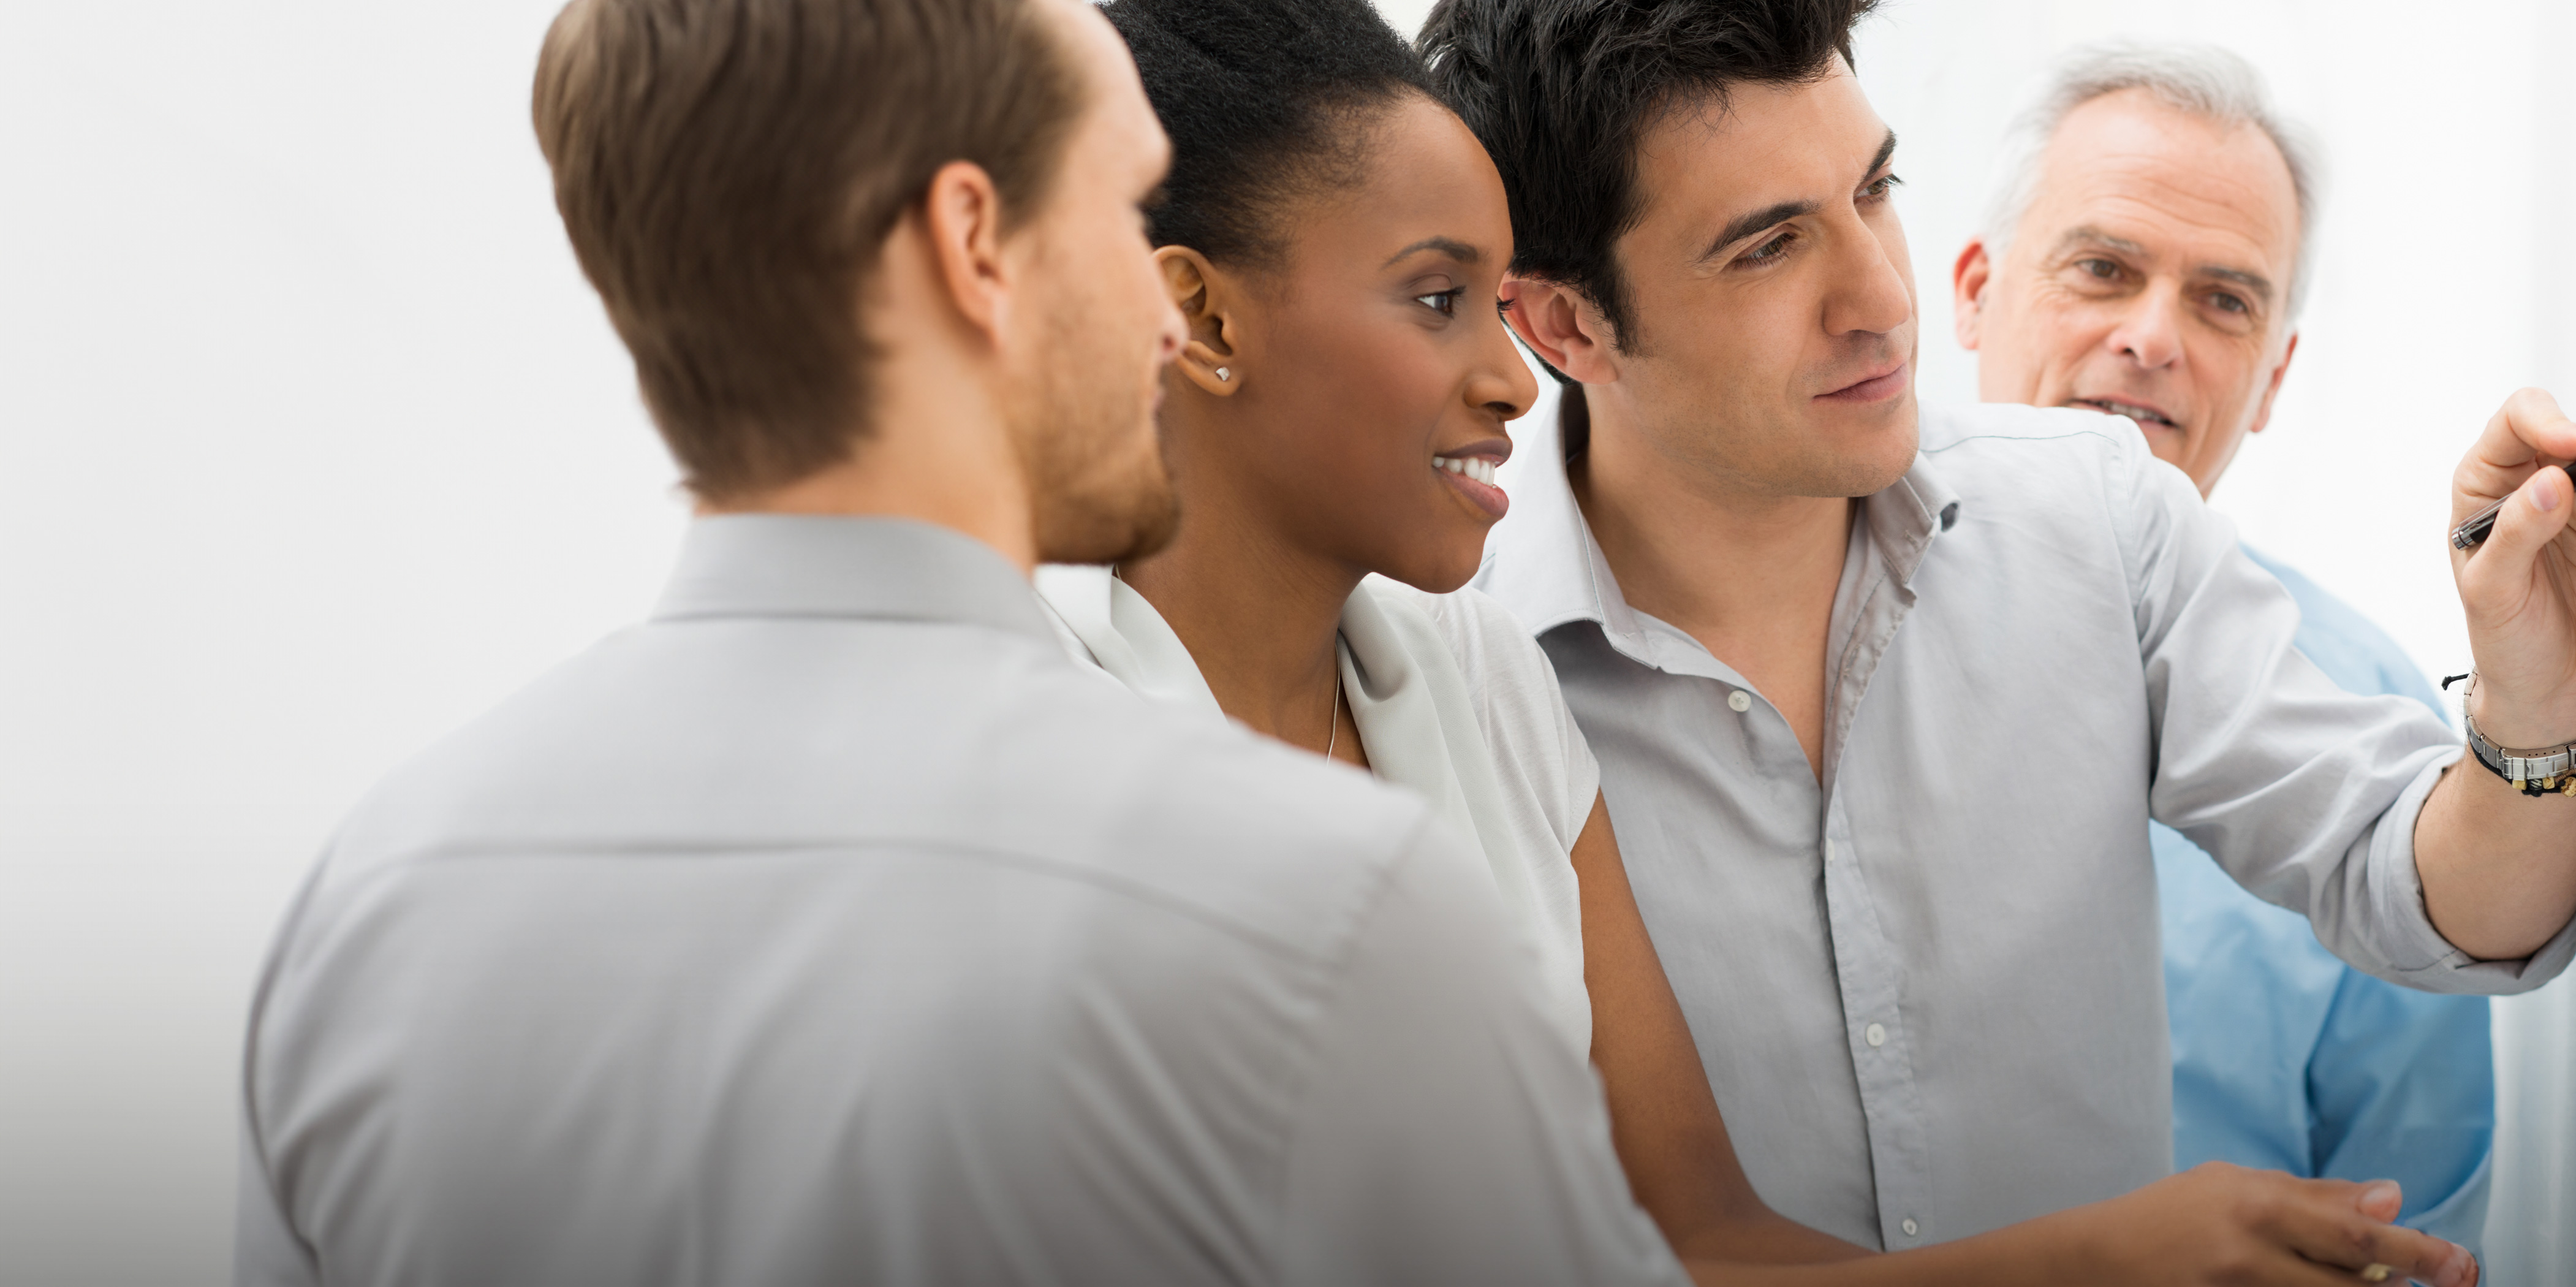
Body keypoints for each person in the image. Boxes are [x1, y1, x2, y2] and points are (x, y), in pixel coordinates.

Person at [232, 0, 1690, 1281]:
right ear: (976, 246)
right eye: (1122, 214)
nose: (1160, 309)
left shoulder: (366, 910)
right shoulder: (1321, 904)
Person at [1042, 1, 2479, 1283]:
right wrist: (2107, 1255)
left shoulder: (1483, 695)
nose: (1501, 378)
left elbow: (1692, 1235)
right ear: (1573, 324)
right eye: (1439, 301)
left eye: (1873, 192)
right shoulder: (1067, 742)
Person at [1422, 0, 2576, 1270]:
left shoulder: (2098, 518)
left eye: (1875, 189)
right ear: (1564, 326)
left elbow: (2435, 898)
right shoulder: (1439, 677)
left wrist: (2539, 701)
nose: (1878, 296)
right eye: (1767, 249)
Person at [1949, 42, 2495, 1250]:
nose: (2154, 338)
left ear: (2273, 376)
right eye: (2102, 269)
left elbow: (2410, 1222)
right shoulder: (1765, 646)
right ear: (1975, 291)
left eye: (2224, 300)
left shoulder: (2367, 719)